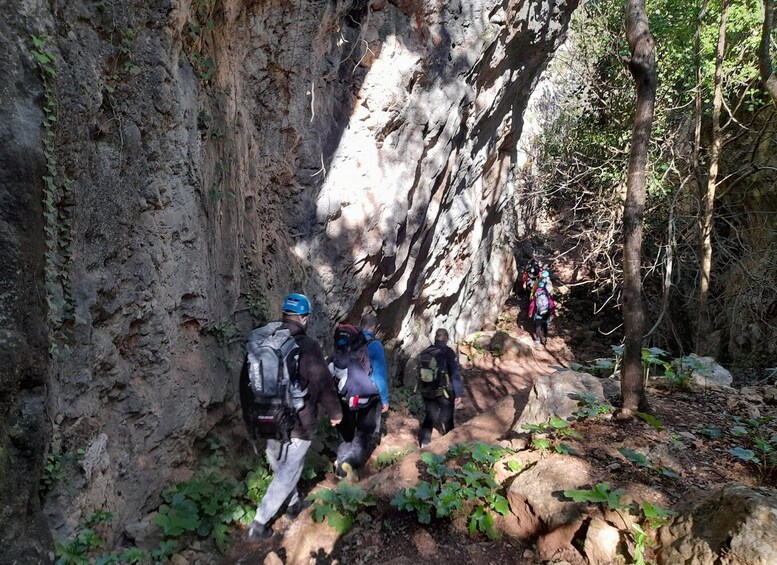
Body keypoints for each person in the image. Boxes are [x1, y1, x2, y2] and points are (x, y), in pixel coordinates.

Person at [246, 293, 343, 542]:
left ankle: (293, 504)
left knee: (283, 468)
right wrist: (335, 412)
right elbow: (321, 382)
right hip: (299, 423)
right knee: (287, 472)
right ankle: (259, 523)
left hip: (267, 418)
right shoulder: (308, 345)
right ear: (304, 318)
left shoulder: (266, 339)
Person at [333, 314, 389, 481]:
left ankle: (340, 460)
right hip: (367, 395)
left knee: (346, 429)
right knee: (365, 430)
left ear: (360, 324)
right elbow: (379, 374)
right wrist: (384, 398)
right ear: (375, 328)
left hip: (345, 392)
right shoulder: (375, 345)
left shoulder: (347, 340)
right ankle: (350, 464)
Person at [418, 329, 463, 448]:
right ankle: (452, 444)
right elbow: (454, 373)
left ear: (435, 338)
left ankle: (424, 442)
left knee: (429, 415)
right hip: (444, 391)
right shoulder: (448, 352)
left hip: (427, 389)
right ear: (446, 338)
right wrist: (458, 394)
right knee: (447, 418)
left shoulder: (426, 351)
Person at [528, 280, 556, 346]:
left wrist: (530, 313)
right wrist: (553, 313)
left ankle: (537, 339)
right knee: (545, 324)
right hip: (547, 312)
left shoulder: (536, 294)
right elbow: (552, 304)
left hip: (538, 313)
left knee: (538, 326)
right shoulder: (547, 294)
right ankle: (545, 337)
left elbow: (532, 304)